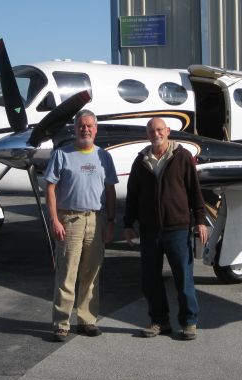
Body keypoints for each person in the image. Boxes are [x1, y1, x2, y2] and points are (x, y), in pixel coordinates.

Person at [123, 117, 207, 340]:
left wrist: (200, 219)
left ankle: (189, 322)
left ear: (168, 131)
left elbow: (194, 190)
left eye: (159, 129)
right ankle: (159, 321)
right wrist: (128, 224)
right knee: (150, 278)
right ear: (147, 134)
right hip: (150, 230)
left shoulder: (182, 157)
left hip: (177, 228)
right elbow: (133, 194)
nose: (156, 134)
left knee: (183, 277)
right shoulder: (141, 160)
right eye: (151, 131)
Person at [44, 109, 118, 342]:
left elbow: (110, 189)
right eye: (81, 126)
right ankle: (61, 323)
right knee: (67, 274)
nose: (85, 129)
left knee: (91, 274)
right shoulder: (62, 154)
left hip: (95, 220)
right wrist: (55, 220)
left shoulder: (103, 156)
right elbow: (50, 188)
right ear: (75, 129)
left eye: (89, 126)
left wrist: (111, 221)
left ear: (96, 129)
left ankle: (87, 320)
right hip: (70, 221)